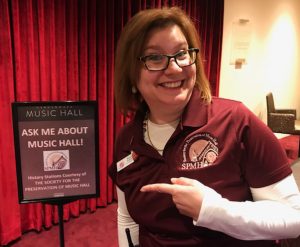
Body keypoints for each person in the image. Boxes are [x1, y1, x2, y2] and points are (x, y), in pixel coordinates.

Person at [109, 6, 300, 247]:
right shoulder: (127, 139)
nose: (175, 68)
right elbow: (127, 218)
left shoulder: (236, 121)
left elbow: (294, 217)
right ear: (131, 73)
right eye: (155, 57)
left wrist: (213, 210)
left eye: (181, 53)